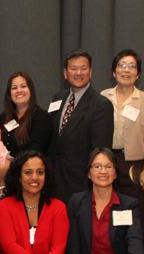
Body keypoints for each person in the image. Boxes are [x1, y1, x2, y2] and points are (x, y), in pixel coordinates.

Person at [100, 49, 144, 254]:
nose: (126, 70)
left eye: (132, 66)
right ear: (113, 72)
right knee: (109, 215)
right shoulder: (103, 96)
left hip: (134, 165)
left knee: (136, 217)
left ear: (138, 73)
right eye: (122, 65)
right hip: (107, 162)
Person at [47, 49, 114, 202]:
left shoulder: (101, 105)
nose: (78, 73)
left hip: (81, 184)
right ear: (65, 73)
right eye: (73, 68)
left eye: (83, 68)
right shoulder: (58, 98)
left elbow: (100, 150)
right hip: (55, 181)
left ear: (90, 72)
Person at [0, 72, 52, 158]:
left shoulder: (41, 117)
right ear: (9, 94)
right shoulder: (3, 118)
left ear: (30, 90)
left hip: (28, 168)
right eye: (14, 88)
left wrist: (11, 164)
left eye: (23, 86)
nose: (19, 90)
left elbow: (35, 151)